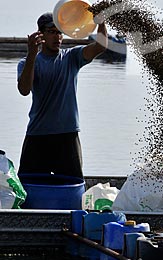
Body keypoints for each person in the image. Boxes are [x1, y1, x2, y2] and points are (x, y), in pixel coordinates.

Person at [17, 12, 108, 179]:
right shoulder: (26, 62)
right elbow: (24, 89)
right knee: (29, 185)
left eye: (59, 32)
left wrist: (101, 23)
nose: (57, 37)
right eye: (52, 31)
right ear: (41, 34)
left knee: (72, 184)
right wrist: (32, 54)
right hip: (38, 134)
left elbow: (100, 46)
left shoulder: (72, 57)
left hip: (67, 135)